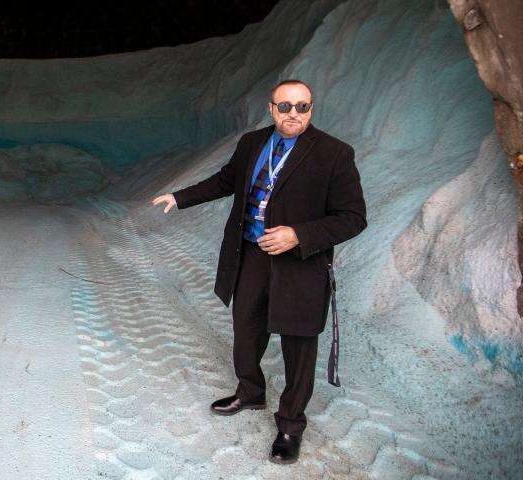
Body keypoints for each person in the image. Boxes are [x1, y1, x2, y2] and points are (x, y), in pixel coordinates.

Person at [152, 79, 366, 465]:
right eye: (285, 107)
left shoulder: (335, 154)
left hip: (301, 264)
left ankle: (290, 426)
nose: (293, 115)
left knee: (298, 345)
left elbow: (353, 218)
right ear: (271, 109)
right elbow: (225, 181)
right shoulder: (253, 144)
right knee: (246, 329)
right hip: (251, 256)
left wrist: (298, 234)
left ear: (311, 109)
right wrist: (180, 197)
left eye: (302, 107)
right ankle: (250, 392)